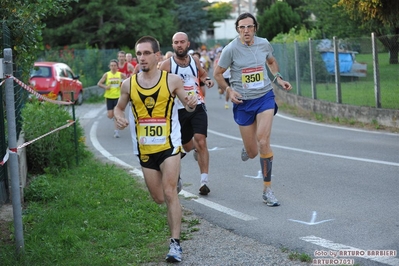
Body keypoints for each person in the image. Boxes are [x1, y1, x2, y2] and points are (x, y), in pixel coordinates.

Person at [113, 36, 197, 263]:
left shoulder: (172, 81)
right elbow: (119, 109)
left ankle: (175, 244)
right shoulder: (128, 84)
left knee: (169, 193)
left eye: (146, 53)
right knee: (159, 197)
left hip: (169, 146)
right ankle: (174, 183)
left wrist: (191, 101)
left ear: (158, 56)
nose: (142, 57)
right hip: (145, 151)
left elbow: (188, 103)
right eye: (138, 53)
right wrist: (119, 119)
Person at [213, 13, 292, 207]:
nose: (246, 31)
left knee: (263, 141)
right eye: (242, 27)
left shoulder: (264, 44)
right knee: (253, 150)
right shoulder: (230, 49)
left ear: (255, 28)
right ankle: (249, 149)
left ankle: (267, 190)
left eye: (249, 27)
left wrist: (278, 79)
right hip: (243, 102)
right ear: (237, 29)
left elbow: (271, 62)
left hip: (265, 96)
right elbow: (217, 73)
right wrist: (229, 90)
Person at [159, 32, 214, 196]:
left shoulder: (194, 60)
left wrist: (207, 80)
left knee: (201, 140)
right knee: (183, 146)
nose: (179, 45)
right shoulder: (166, 65)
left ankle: (204, 182)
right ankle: (176, 175)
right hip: (177, 110)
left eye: (182, 42)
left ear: (188, 44)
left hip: (197, 106)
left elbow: (202, 74)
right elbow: (159, 86)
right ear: (173, 45)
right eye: (176, 42)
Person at [97, 59, 126, 138]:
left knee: (116, 115)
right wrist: (105, 87)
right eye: (111, 65)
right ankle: (114, 117)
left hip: (117, 97)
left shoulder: (120, 74)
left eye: (114, 65)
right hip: (109, 97)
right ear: (109, 66)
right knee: (110, 115)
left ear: (117, 66)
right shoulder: (107, 74)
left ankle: (116, 132)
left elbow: (127, 81)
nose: (113, 67)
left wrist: (122, 86)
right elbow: (99, 83)